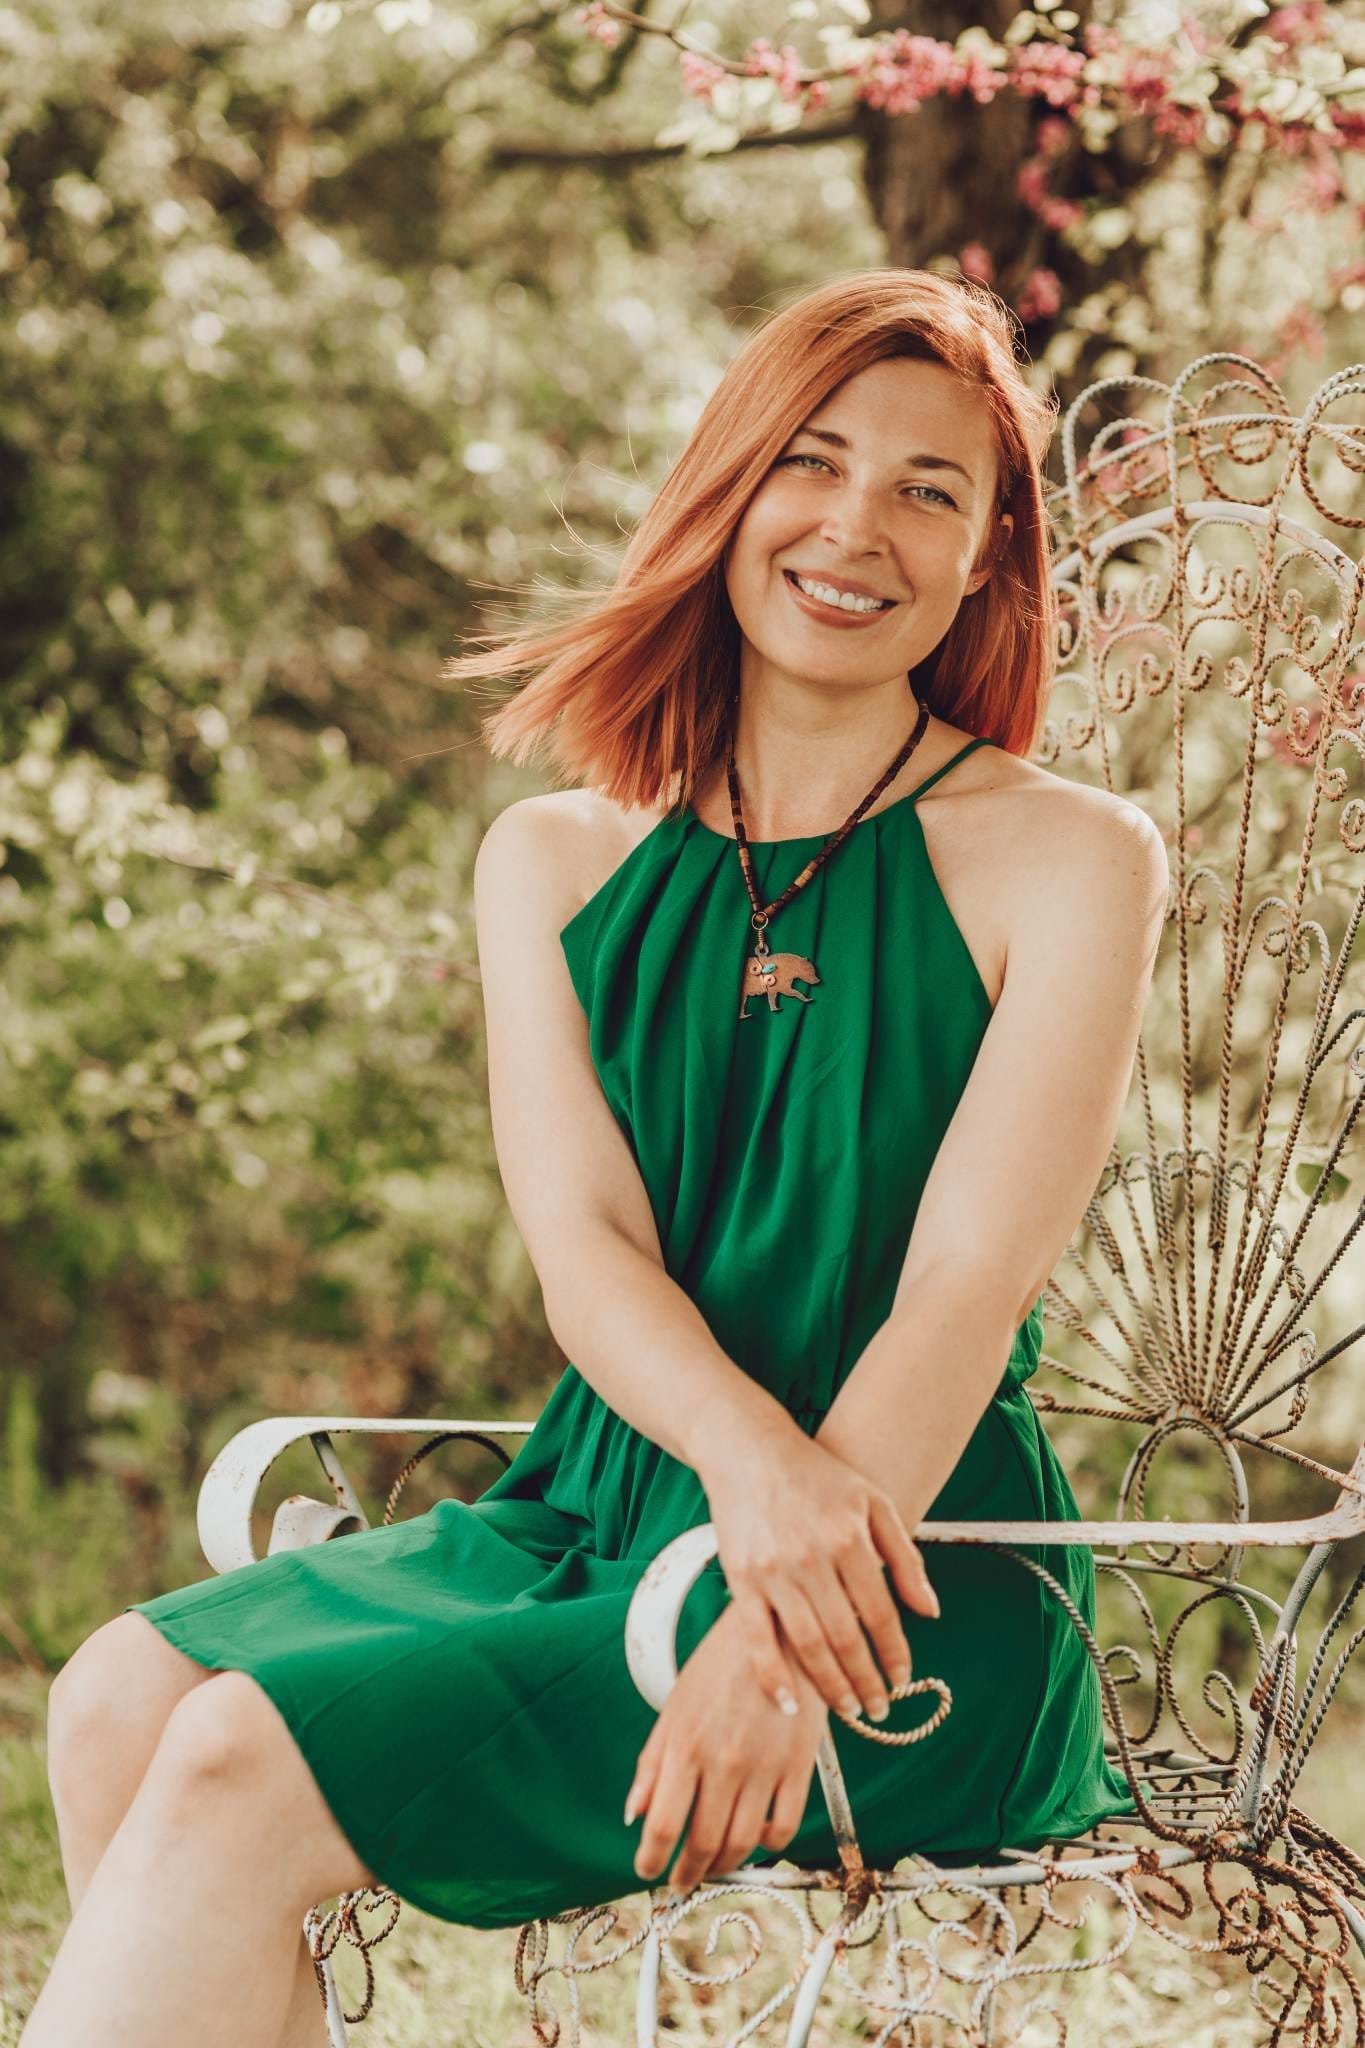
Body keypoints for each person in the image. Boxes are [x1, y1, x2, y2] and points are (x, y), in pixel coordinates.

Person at [25, 266, 1167, 2047]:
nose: (853, 527)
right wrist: (745, 1482)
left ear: (986, 557)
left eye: (926, 490)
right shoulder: (553, 856)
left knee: (236, 1758)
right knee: (114, 1698)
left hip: (913, 1576)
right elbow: (587, 1251)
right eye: (809, 461)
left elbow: (965, 1282)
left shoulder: (1073, 856)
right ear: (727, 487)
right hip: (604, 1510)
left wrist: (776, 1623)